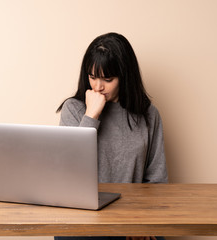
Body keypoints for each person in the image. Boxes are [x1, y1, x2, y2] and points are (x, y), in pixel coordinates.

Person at [55, 33, 168, 240]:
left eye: (108, 79)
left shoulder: (149, 115)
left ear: (125, 76)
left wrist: (143, 220)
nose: (98, 87)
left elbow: (157, 181)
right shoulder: (74, 109)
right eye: (92, 77)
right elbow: (67, 171)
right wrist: (91, 115)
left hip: (132, 218)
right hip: (82, 218)